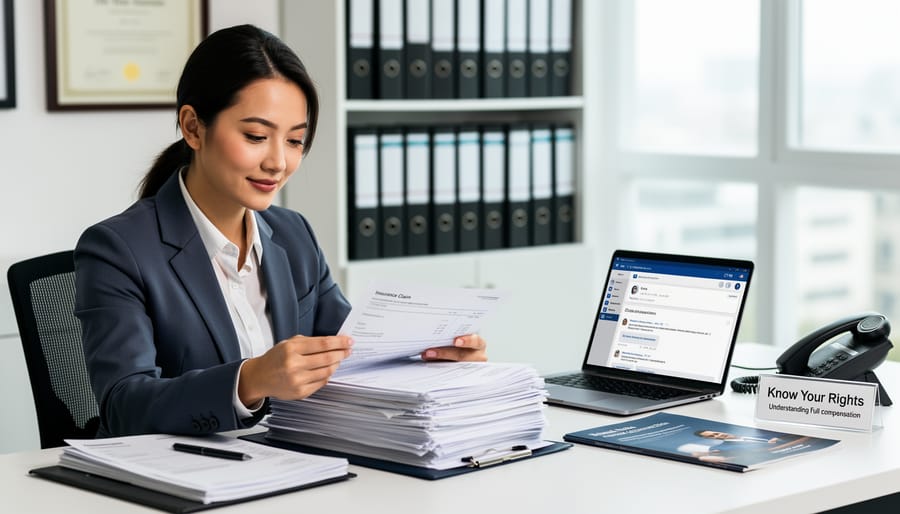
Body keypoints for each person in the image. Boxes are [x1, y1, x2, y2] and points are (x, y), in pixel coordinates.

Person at [74, 25, 486, 438]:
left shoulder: (293, 234)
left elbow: (352, 354)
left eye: (294, 141)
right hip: (183, 470)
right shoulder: (118, 249)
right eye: (256, 136)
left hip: (292, 460)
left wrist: (429, 361)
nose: (278, 162)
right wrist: (250, 380)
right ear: (193, 127)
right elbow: (124, 405)